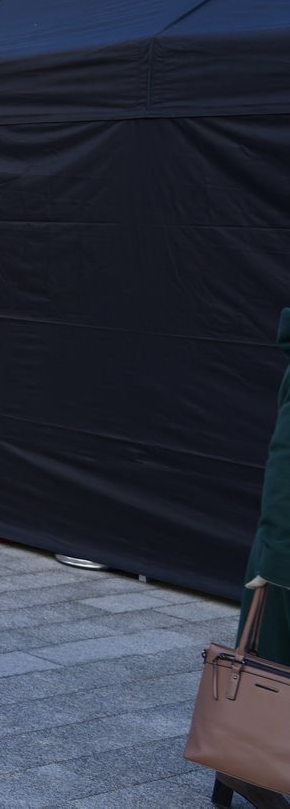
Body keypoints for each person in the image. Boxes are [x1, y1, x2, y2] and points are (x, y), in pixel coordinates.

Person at [210, 308, 290, 809]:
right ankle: (244, 766)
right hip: (286, 549)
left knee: (270, 660)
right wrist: (279, 554)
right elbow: (286, 461)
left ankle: (240, 768)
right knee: (268, 662)